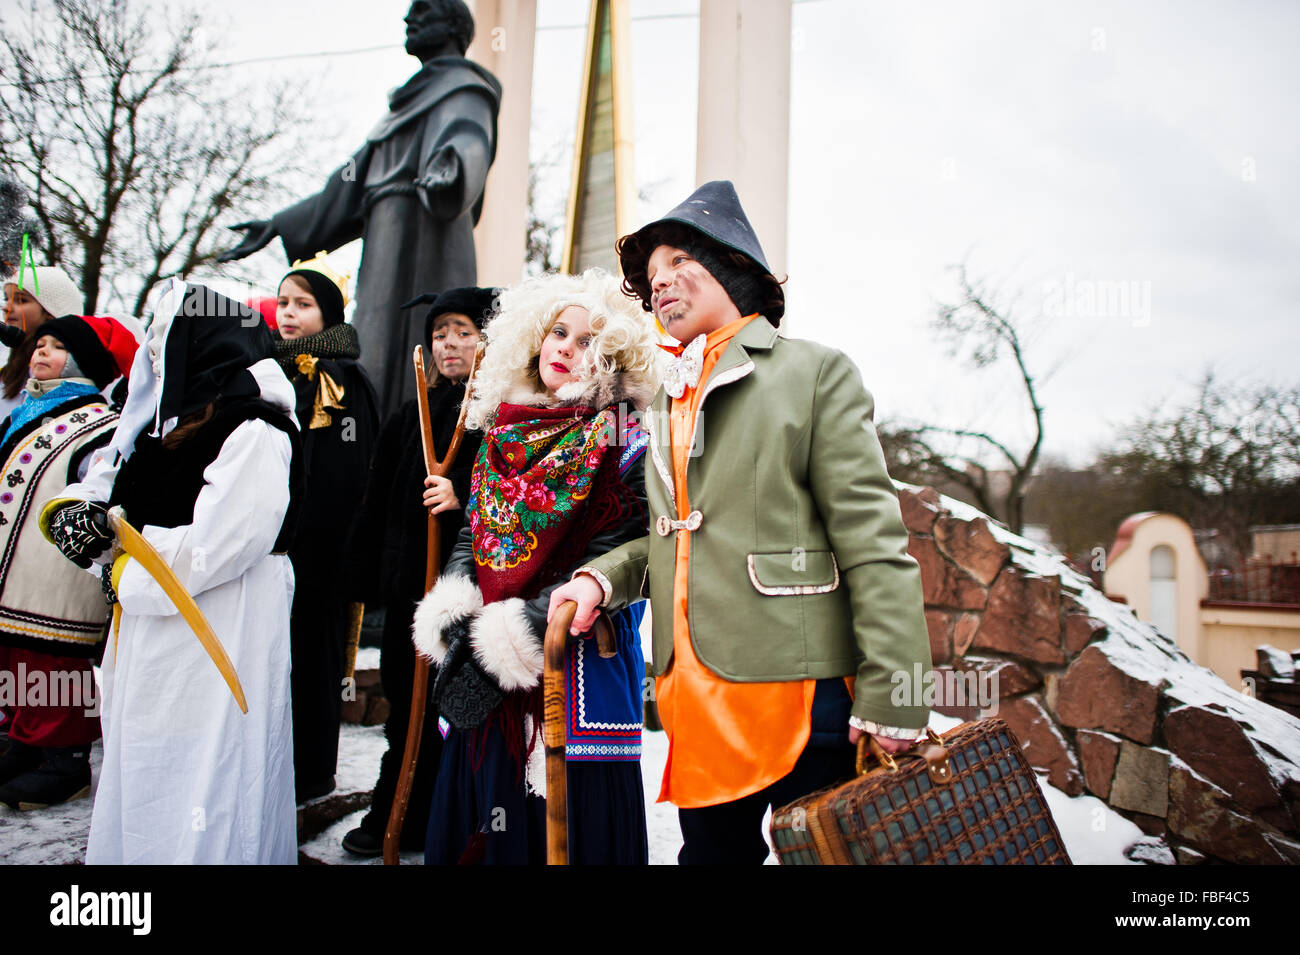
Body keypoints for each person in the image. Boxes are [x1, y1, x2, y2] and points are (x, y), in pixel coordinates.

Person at [547, 181, 934, 865]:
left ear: (728, 261)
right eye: (651, 275)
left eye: (676, 262)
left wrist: (897, 694)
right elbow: (672, 537)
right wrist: (600, 581)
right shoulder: (663, 398)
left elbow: (875, 544)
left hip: (804, 700)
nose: (659, 282)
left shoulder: (814, 372)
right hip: (694, 703)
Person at [41, 279, 302, 864]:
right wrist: (86, 519)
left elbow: (225, 543)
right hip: (156, 622)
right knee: (149, 763)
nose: (153, 356)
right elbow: (117, 487)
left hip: (223, 623)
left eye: (165, 341)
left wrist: (121, 574)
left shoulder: (255, 428)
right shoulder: (164, 427)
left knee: (209, 775)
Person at [412, 269, 659, 864]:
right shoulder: (504, 431)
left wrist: (514, 633)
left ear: (611, 361)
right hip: (486, 663)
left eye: (587, 342)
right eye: (558, 333)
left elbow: (621, 553)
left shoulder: (628, 442)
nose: (567, 350)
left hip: (577, 669)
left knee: (567, 835)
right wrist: (457, 607)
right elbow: (476, 529)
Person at [218, 0, 501, 419]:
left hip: (431, 229)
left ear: (454, 27)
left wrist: (451, 167)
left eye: (422, 11)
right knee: (375, 339)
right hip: (385, 234)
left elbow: (467, 137)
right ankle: (370, 431)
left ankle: (416, 431)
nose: (409, 20)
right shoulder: (401, 108)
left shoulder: (464, 88)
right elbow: (347, 184)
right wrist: (280, 224)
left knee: (425, 336)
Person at [340, 285, 496, 857]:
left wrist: (464, 499)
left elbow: (518, 497)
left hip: (469, 593)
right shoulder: (412, 415)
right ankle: (396, 809)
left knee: (459, 707)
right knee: (407, 704)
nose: (449, 344)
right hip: (411, 590)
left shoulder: (500, 412)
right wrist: (363, 574)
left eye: (463, 332)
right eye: (439, 334)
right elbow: (377, 498)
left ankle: (460, 816)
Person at [0, 315, 136, 809]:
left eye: (58, 347)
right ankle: (24, 743)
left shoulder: (101, 424)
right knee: (19, 659)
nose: (41, 352)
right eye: (40, 344)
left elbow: (96, 487)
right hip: (20, 571)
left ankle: (65, 760)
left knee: (54, 663)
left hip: (57, 572)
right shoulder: (28, 408)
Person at [274, 253, 380, 803]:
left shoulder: (340, 377)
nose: (288, 314)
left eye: (303, 304)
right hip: (274, 548)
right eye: (284, 302)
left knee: (312, 662)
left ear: (329, 313)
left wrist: (316, 543)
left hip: (317, 552)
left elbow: (345, 473)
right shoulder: (274, 370)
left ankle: (309, 773)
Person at [1, 266, 84, 422]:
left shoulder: (73, 377)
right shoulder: (5, 371)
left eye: (20, 300)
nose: (6, 307)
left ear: (50, 312)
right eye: (6, 298)